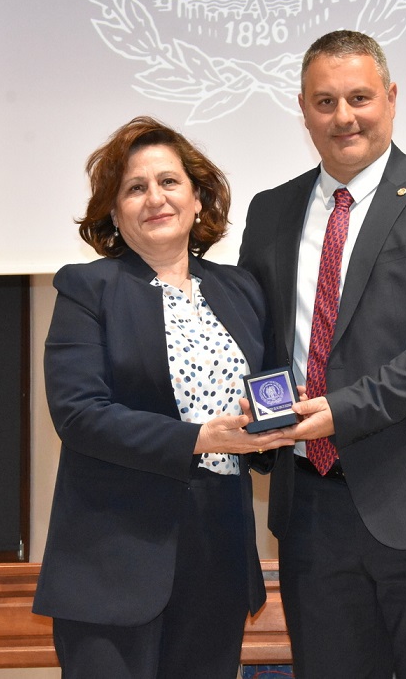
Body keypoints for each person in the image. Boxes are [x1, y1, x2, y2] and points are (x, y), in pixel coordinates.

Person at [238, 31, 406, 678]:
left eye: (359, 98)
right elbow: (258, 340)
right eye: (325, 101)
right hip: (312, 519)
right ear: (303, 109)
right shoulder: (270, 211)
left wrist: (340, 410)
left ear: (390, 98)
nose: (344, 117)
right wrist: (253, 419)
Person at [33, 115, 293, 679]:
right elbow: (78, 414)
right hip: (114, 562)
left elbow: (267, 389)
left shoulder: (241, 289)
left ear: (197, 199)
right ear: (114, 212)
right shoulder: (87, 288)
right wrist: (198, 438)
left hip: (219, 553)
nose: (155, 198)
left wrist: (274, 427)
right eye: (135, 188)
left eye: (169, 182)